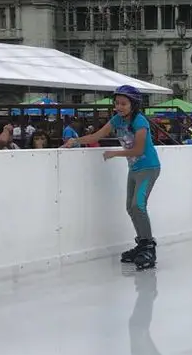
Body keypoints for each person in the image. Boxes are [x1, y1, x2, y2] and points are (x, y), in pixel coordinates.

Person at [62, 85, 161, 270]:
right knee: (130, 208)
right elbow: (96, 135)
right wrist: (75, 141)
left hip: (149, 168)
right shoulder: (117, 120)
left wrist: (115, 153)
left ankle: (149, 248)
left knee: (137, 205)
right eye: (117, 103)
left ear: (134, 105)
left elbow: (139, 150)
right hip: (134, 169)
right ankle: (142, 245)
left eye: (123, 103)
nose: (119, 107)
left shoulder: (140, 122)